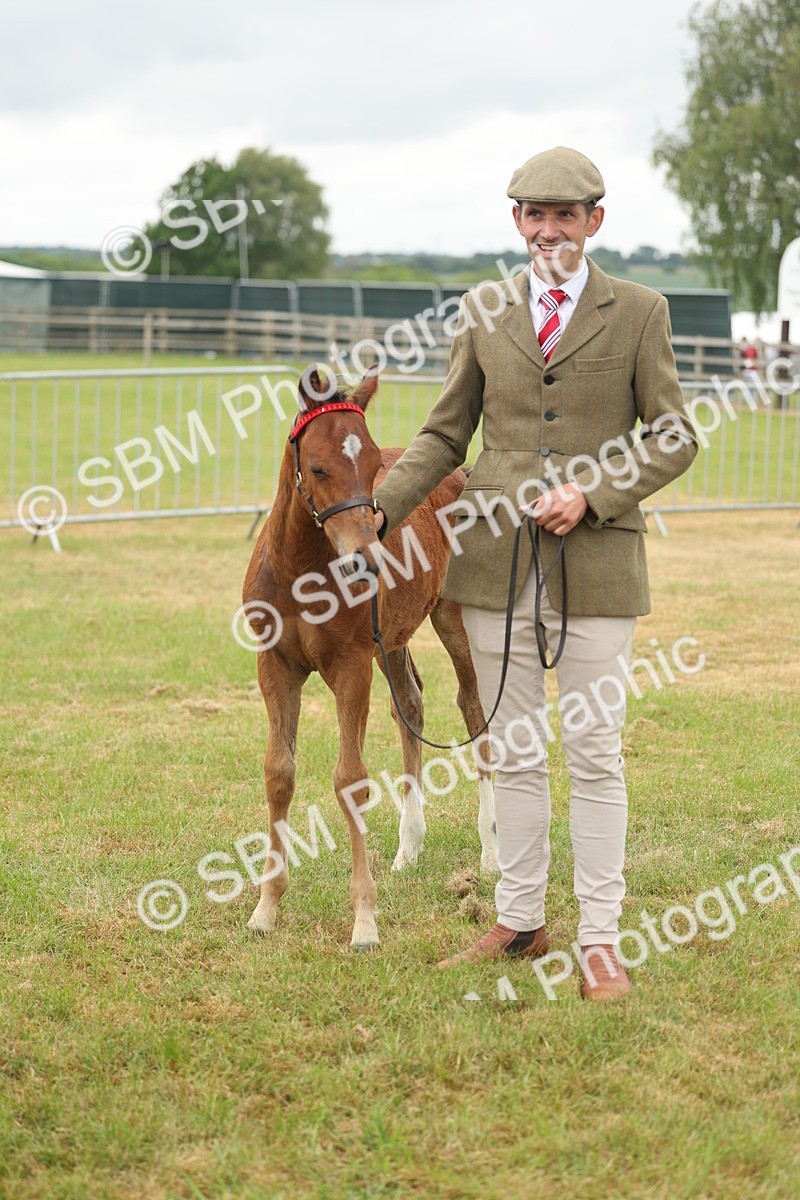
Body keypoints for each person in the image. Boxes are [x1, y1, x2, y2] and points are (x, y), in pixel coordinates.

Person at [373, 146, 698, 1000]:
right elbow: (446, 436)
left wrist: (592, 492)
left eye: (567, 214)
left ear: (596, 219)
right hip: (490, 564)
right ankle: (519, 920)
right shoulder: (482, 312)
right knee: (511, 749)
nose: (549, 228)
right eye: (534, 214)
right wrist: (383, 505)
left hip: (597, 566)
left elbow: (675, 435)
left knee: (593, 755)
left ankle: (600, 940)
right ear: (515, 221)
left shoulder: (640, 312)